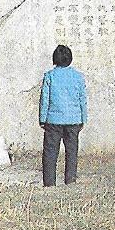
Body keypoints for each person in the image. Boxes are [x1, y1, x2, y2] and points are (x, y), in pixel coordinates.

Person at [39, 44, 87, 187]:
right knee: (72, 151)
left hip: (53, 120)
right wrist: (83, 118)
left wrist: (42, 118)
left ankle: (49, 183)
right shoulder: (78, 77)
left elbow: (44, 99)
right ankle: (70, 180)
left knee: (50, 153)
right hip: (74, 120)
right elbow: (82, 99)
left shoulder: (49, 76)